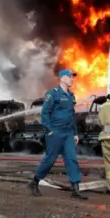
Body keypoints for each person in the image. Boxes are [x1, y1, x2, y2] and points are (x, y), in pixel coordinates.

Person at [28, 69, 87, 200]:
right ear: (62, 78)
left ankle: (75, 189)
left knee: (72, 159)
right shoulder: (52, 94)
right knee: (50, 160)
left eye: (72, 77)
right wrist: (50, 130)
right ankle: (35, 182)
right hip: (55, 132)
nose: (72, 79)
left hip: (68, 134)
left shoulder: (71, 96)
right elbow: (44, 114)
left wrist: (75, 133)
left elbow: (72, 117)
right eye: (69, 76)